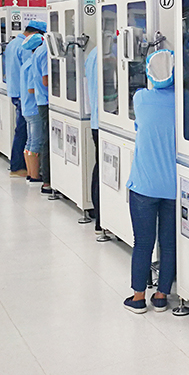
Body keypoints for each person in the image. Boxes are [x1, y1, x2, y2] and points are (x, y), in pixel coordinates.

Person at [123, 49, 176, 314]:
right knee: (169, 243)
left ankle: (138, 298)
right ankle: (162, 295)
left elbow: (139, 127)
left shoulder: (141, 98)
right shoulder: (184, 101)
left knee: (143, 242)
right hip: (173, 187)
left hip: (144, 185)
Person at [6, 23, 35, 177]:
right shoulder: (25, 47)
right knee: (24, 131)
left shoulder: (12, 44)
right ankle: (18, 166)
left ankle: (20, 165)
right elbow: (31, 70)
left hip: (14, 91)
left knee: (21, 129)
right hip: (24, 93)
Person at [31, 28, 53, 196]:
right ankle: (47, 181)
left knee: (47, 140)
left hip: (41, 100)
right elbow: (46, 80)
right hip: (46, 101)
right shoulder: (46, 51)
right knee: (47, 141)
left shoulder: (39, 50)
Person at [85, 45, 104, 237]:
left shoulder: (92, 54)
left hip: (96, 120)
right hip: (106, 122)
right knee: (103, 171)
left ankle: (99, 214)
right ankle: (101, 218)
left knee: (99, 168)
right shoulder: (108, 52)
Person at [20, 32, 43, 185]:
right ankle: (35, 175)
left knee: (29, 141)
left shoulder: (26, 63)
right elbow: (31, 88)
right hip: (34, 108)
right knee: (36, 142)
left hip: (27, 108)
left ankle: (30, 173)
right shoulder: (33, 64)